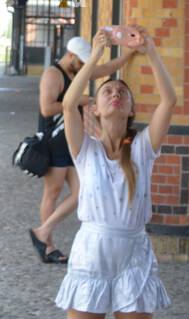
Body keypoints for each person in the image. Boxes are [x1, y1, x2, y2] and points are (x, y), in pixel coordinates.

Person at [54, 26, 177, 319]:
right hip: (91, 255)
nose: (115, 95)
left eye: (122, 92)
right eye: (108, 91)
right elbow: (66, 103)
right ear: (96, 106)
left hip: (134, 258)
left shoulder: (141, 149)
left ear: (131, 108)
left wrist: (150, 50)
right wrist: (95, 58)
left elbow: (169, 101)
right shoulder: (85, 150)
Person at [30, 35, 137, 264]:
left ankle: (43, 231)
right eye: (82, 61)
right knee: (53, 192)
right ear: (71, 56)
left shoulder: (76, 72)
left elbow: (106, 68)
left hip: (69, 143)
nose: (84, 66)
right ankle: (48, 245)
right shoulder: (53, 74)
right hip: (52, 140)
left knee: (82, 191)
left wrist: (130, 53)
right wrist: (83, 100)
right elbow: (46, 108)